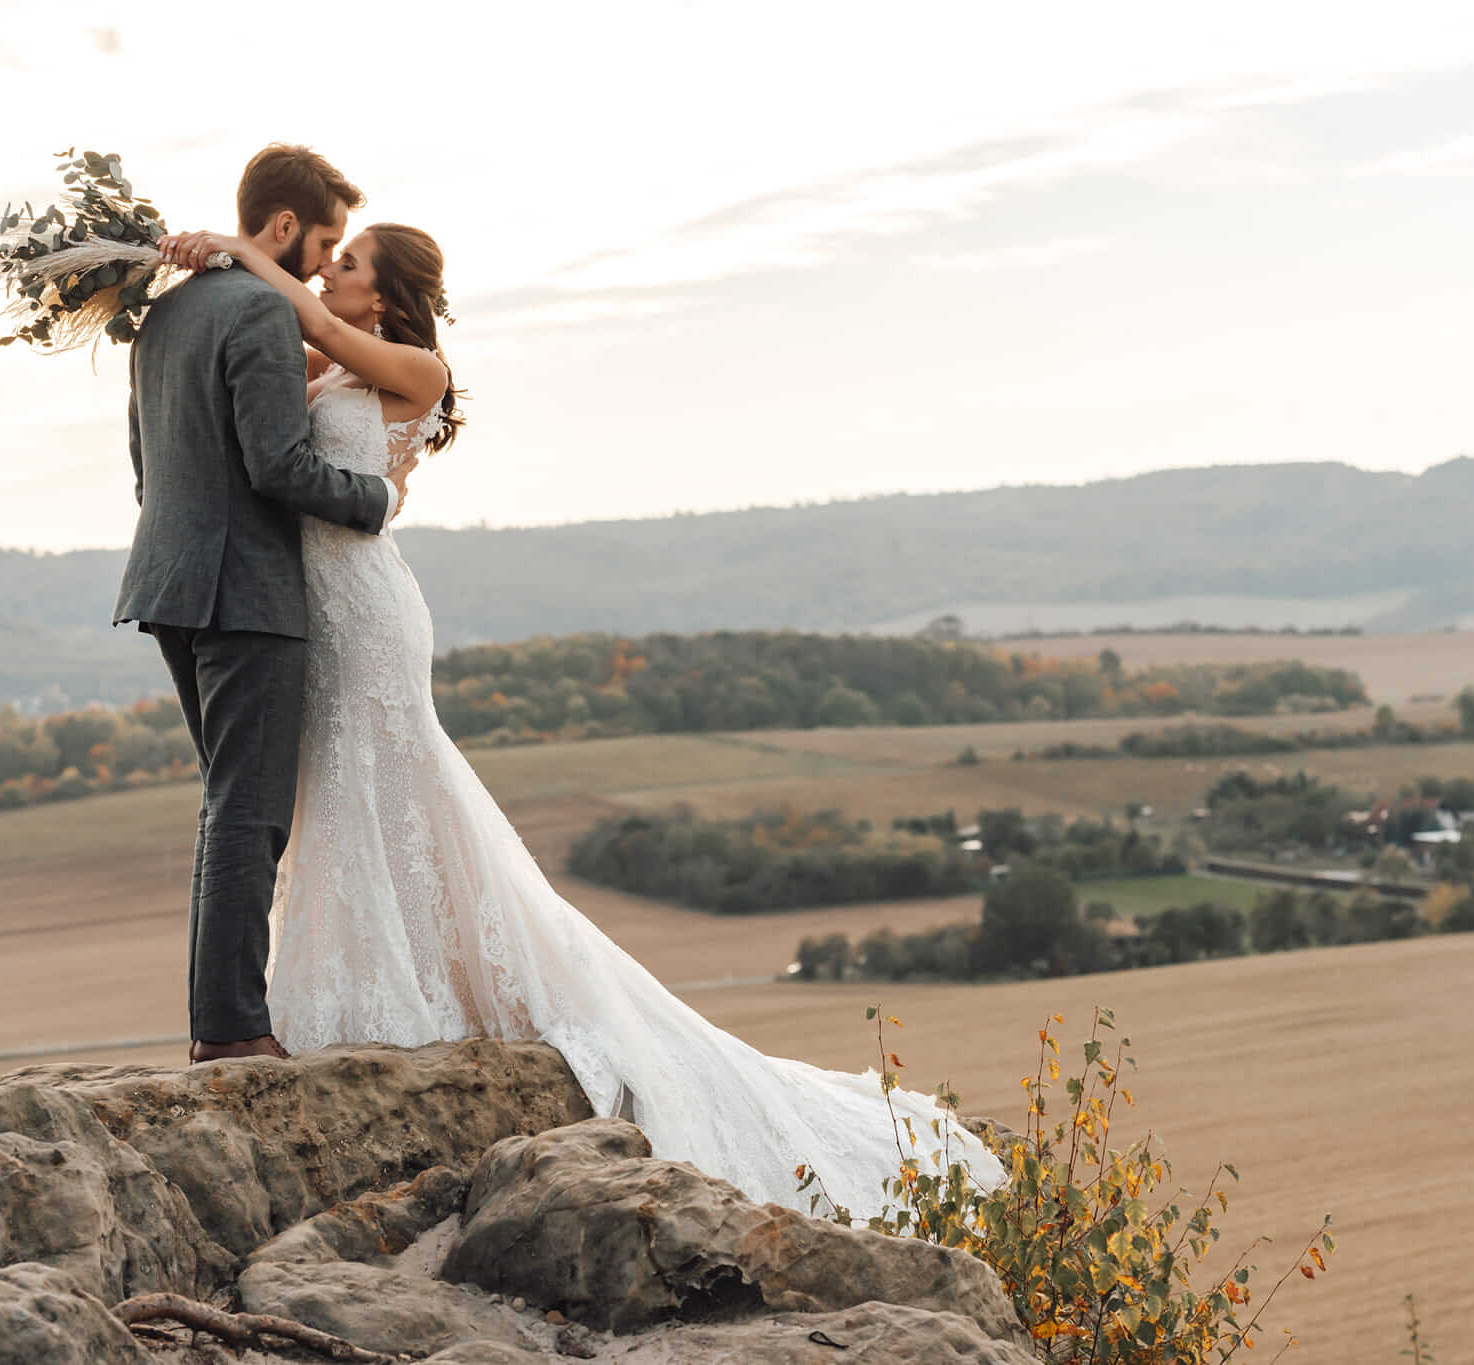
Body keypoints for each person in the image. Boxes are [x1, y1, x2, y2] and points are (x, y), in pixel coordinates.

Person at [156, 214, 1003, 1214]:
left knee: (396, 781)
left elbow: (316, 325)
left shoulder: (413, 368)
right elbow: (258, 372)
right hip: (317, 608)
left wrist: (239, 251)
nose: (328, 272)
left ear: (383, 295)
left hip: (370, 612)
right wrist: (189, 277)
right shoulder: (328, 369)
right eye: (329, 260)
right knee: (342, 794)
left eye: (347, 263)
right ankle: (377, 979)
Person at [116, 144, 416, 1065]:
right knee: (250, 813)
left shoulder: (164, 315)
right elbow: (279, 466)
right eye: (323, 243)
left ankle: (219, 1021)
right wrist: (377, 499)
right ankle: (233, 1031)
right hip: (244, 590)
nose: (323, 266)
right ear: (283, 226)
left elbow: (146, 469)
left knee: (226, 805)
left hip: (167, 581)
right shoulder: (259, 312)